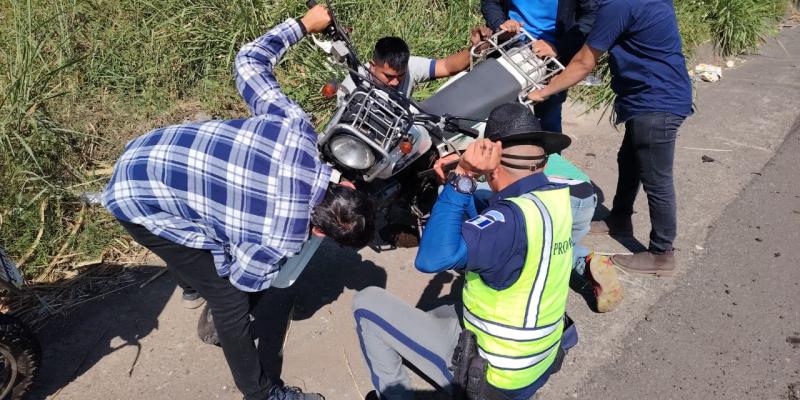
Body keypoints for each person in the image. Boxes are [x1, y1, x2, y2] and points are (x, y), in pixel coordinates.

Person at [102, 6, 374, 400]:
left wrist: (303, 25)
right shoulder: (281, 237)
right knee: (228, 301)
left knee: (203, 245)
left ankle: (190, 283)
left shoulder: (296, 129)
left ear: (345, 182)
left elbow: (248, 60)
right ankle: (260, 392)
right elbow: (243, 279)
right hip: (137, 203)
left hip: (148, 151)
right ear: (319, 230)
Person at [351, 103, 583, 400]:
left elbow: (432, 259)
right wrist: (458, 182)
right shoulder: (554, 200)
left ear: (494, 169)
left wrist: (463, 179)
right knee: (438, 312)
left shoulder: (507, 223)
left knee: (367, 303)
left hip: (497, 379)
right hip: (538, 357)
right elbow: (487, 226)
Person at [527, 0, 692, 276]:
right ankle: (619, 219)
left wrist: (544, 91)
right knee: (628, 160)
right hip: (651, 97)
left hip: (656, 101)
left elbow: (584, 61)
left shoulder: (619, 6)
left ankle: (662, 253)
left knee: (656, 178)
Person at [480, 0, 598, 132]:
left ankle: (549, 151)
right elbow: (491, 3)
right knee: (500, 118)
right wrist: (501, 24)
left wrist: (559, 47)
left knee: (548, 121)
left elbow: (590, 14)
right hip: (509, 48)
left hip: (552, 60)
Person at [338, 26, 493, 102]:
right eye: (388, 76)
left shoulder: (410, 66)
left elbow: (446, 66)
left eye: (401, 75)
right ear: (372, 65)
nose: (395, 82)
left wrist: (475, 48)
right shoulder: (352, 82)